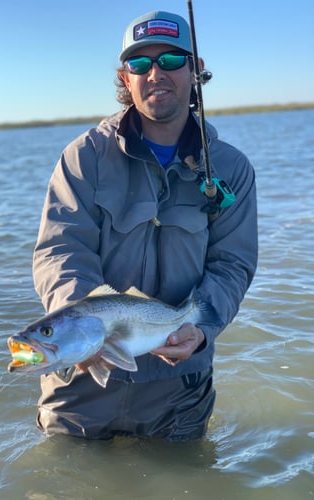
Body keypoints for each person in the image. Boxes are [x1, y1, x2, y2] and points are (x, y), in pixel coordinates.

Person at [32, 10, 258, 441]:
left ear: (195, 71)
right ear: (125, 77)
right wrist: (84, 330)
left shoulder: (231, 167)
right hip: (81, 380)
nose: (155, 73)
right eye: (140, 64)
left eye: (171, 60)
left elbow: (233, 264)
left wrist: (201, 329)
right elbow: (61, 251)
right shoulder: (84, 157)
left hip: (180, 388)